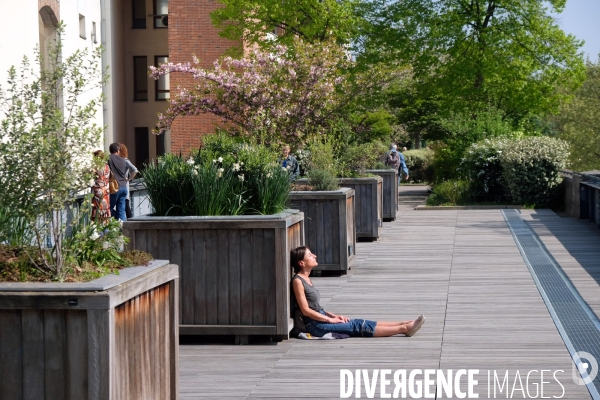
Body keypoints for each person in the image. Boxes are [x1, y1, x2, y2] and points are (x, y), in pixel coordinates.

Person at [291, 246, 425, 338]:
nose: (314, 256)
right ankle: (404, 329)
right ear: (301, 263)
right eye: (310, 255)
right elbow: (306, 311)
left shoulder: (307, 278)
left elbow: (316, 307)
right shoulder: (298, 281)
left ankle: (404, 323)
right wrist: (330, 320)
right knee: (356, 326)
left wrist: (334, 315)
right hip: (315, 325)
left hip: (321, 318)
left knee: (357, 321)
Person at [108, 143, 129, 221]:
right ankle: (122, 230)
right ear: (118, 150)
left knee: (107, 208)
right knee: (121, 210)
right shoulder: (123, 160)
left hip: (114, 187)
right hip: (124, 186)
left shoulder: (108, 158)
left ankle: (115, 220)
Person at [118, 144, 138, 219]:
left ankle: (130, 221)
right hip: (122, 184)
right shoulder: (120, 161)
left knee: (126, 205)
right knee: (124, 205)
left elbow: (135, 170)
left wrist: (128, 179)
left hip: (123, 184)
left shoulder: (125, 160)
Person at [91, 150, 111, 223]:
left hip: (98, 190)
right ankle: (105, 227)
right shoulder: (107, 167)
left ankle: (97, 227)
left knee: (98, 209)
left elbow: (90, 176)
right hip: (106, 190)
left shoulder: (96, 167)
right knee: (105, 209)